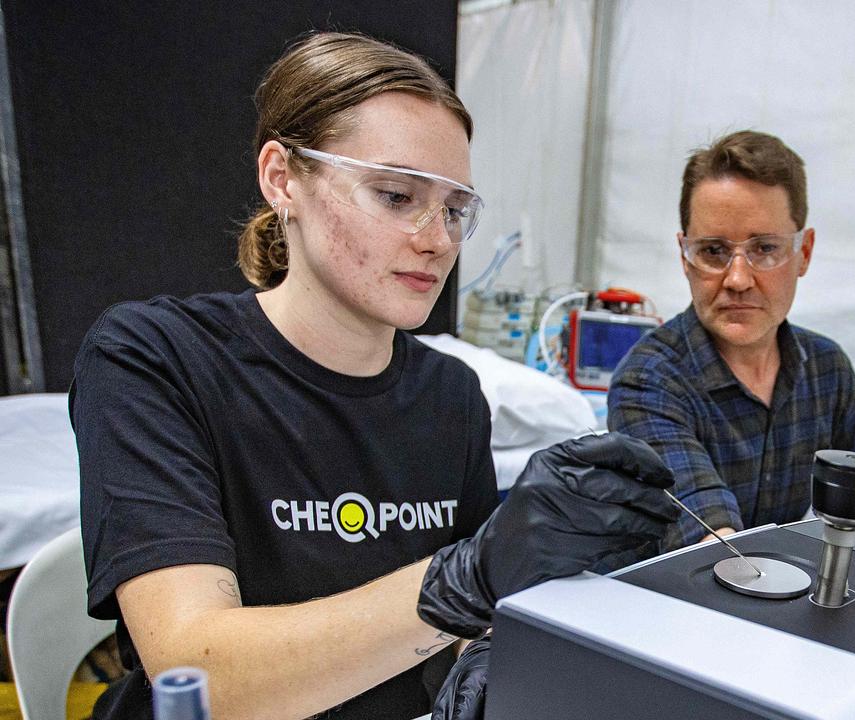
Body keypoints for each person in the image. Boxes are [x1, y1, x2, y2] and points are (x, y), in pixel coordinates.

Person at [71, 32, 675, 720]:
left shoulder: (450, 397)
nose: (438, 239)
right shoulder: (157, 359)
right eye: (394, 196)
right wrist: (466, 578)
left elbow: (463, 631)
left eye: (454, 210)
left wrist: (487, 644)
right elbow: (200, 676)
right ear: (281, 179)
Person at [608, 130, 855, 554]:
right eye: (713, 251)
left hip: (764, 583)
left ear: (804, 253)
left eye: (765, 248)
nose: (738, 279)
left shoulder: (824, 366)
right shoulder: (649, 381)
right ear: (684, 256)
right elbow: (708, 537)